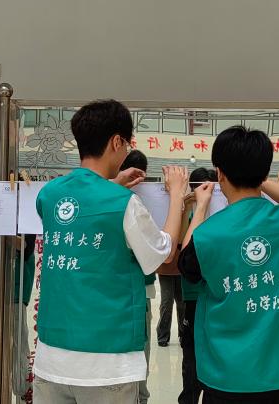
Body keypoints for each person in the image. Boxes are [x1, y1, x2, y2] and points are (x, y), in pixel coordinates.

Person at [32, 99, 189, 404]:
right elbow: (164, 252)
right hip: (107, 363)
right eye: (127, 143)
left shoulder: (49, 195)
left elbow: (85, 206)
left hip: (52, 359)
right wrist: (177, 196)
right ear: (117, 142)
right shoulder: (124, 203)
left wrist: (113, 182)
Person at [178, 127, 279, 404]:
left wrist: (201, 205)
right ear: (265, 172)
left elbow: (186, 263)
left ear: (220, 173)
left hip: (229, 378)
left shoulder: (208, 235)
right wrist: (260, 180)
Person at [119, 150, 156, 404]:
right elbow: (158, 251)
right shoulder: (132, 201)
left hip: (135, 287)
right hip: (136, 287)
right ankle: (140, 397)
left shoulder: (119, 197)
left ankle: (139, 396)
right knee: (139, 350)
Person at [177, 167, 215, 404]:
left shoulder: (223, 211)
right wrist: (188, 208)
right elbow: (182, 246)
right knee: (191, 360)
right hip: (193, 295)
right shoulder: (190, 211)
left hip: (217, 294)